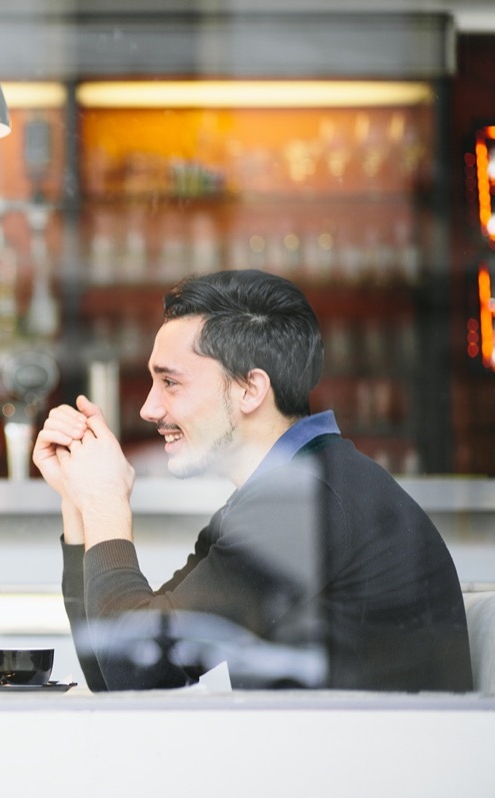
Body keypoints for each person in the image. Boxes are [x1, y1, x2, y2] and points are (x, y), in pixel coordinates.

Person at [33, 269, 472, 692]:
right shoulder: (290, 492)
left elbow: (136, 669)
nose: (149, 408)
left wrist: (106, 502)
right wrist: (79, 501)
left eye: (170, 382)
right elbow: (114, 670)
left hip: (374, 765)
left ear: (250, 389)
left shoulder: (308, 502)